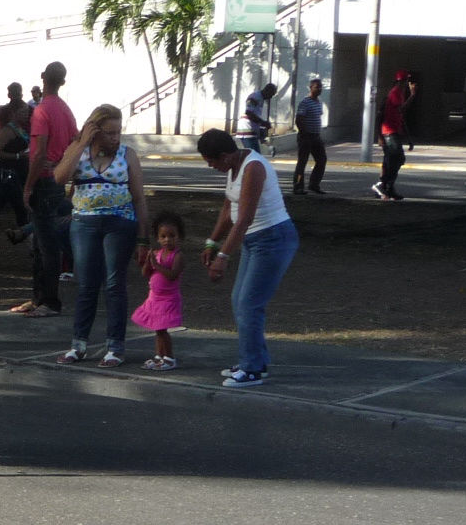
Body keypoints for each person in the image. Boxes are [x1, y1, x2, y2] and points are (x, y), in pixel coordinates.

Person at [198, 127, 298, 388]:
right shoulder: (234, 166)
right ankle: (256, 361)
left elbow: (244, 218)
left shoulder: (253, 167)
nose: (211, 167)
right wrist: (212, 240)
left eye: (212, 162)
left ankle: (252, 368)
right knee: (239, 300)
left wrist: (223, 256)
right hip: (255, 240)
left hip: (273, 238)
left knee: (249, 304)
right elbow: (228, 206)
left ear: (225, 155)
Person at [50, 102, 147, 366]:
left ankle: (115, 347)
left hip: (120, 223)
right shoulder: (78, 151)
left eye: (118, 133)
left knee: (114, 285)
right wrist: (81, 144)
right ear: (95, 131)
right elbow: (59, 178)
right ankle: (78, 344)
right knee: (86, 285)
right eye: (110, 133)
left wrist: (143, 237)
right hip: (84, 224)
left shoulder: (128, 155)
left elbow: (139, 198)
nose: (116, 139)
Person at [9, 61, 75, 317]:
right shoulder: (64, 109)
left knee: (46, 244)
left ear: (43, 77)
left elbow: (38, 154)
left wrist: (28, 186)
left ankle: (49, 300)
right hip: (55, 179)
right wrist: (62, 163)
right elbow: (74, 141)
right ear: (63, 82)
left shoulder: (42, 111)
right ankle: (38, 297)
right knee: (41, 241)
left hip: (44, 180)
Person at [130, 211, 187, 370]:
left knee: (162, 331)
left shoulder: (178, 256)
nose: (167, 240)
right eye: (163, 236)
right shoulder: (157, 254)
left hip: (168, 299)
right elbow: (145, 273)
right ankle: (158, 356)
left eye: (171, 235)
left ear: (179, 236)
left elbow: (172, 275)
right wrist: (148, 264)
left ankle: (169, 358)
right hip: (154, 298)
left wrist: (157, 265)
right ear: (157, 238)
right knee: (157, 329)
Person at [0, 85, 32, 238]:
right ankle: (26, 238)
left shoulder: (22, 128)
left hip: (19, 172)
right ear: (15, 113)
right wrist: (18, 156)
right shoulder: (9, 129)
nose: (26, 115)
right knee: (19, 205)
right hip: (8, 172)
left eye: (27, 112)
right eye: (23, 112)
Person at [371, 71, 415, 201]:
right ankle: (383, 185)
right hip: (389, 132)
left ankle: (388, 187)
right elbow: (401, 110)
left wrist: (409, 139)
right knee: (397, 159)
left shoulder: (399, 94)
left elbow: (400, 117)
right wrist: (412, 96)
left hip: (393, 132)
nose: (407, 83)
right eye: (406, 81)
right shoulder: (395, 93)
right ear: (400, 81)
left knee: (392, 161)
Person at [292, 76, 327, 194]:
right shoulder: (305, 102)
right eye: (317, 87)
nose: (319, 89)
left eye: (321, 87)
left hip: (316, 136)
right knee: (302, 162)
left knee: (321, 159)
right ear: (311, 88)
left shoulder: (318, 103)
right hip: (306, 137)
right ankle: (298, 186)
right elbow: (299, 119)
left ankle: (314, 184)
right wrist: (304, 134)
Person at [240, 81, 278, 150]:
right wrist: (263, 123)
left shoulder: (260, 98)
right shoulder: (255, 97)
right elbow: (249, 112)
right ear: (267, 91)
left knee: (255, 155)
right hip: (247, 129)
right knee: (254, 155)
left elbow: (254, 114)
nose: (271, 97)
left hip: (251, 130)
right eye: (271, 94)